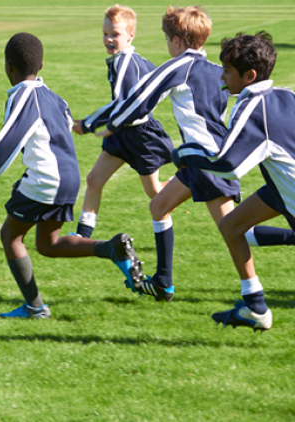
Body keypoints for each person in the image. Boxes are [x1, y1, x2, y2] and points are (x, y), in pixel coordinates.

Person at [0, 33, 143, 319]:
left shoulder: (22, 95)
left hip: (46, 181)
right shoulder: (57, 99)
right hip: (69, 179)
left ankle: (35, 307)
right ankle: (111, 249)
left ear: (9, 67)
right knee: (48, 244)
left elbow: (5, 144)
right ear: (42, 64)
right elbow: (64, 131)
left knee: (10, 235)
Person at [96, 5, 236, 302]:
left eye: (166, 39)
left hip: (208, 163)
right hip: (197, 161)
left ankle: (255, 296)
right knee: (159, 206)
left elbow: (139, 103)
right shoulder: (217, 72)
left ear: (176, 41)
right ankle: (163, 282)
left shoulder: (178, 66)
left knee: (237, 232)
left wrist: (105, 124)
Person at [174, 31, 295, 331]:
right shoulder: (287, 95)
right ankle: (255, 306)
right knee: (231, 226)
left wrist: (186, 151)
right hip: (281, 190)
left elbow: (228, 167)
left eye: (227, 71)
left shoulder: (251, 106)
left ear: (249, 76)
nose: (221, 78)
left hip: (287, 192)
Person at [71, 4, 173, 239]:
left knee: (156, 194)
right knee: (94, 180)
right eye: (105, 34)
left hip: (140, 136)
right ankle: (82, 237)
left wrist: (86, 124)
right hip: (120, 134)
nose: (108, 39)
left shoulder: (124, 62)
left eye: (115, 34)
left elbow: (120, 105)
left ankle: (187, 183)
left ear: (131, 35)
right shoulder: (129, 59)